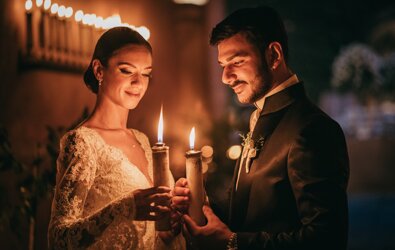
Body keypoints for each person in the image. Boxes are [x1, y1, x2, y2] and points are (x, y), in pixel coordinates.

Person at [173, 6, 349, 250]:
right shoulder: (262, 117)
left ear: (273, 56)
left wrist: (234, 243)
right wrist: (201, 203)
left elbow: (326, 238)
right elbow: (250, 211)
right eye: (223, 64)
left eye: (237, 61)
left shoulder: (313, 128)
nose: (226, 77)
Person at [48, 27, 185, 249]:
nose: (139, 83)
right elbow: (59, 239)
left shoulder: (142, 139)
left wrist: (174, 217)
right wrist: (125, 208)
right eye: (126, 70)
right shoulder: (83, 143)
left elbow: (152, 235)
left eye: (146, 73)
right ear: (99, 70)